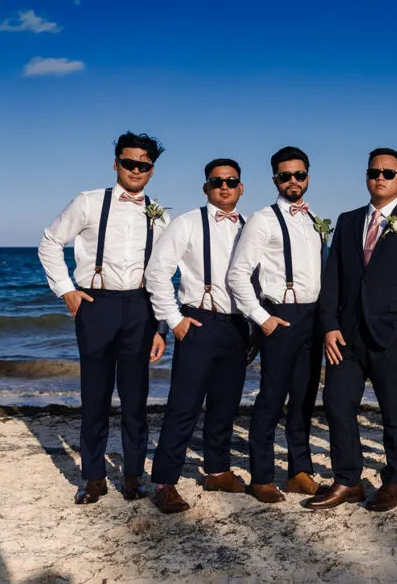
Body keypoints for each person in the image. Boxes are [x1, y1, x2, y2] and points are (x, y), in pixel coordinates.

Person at [308, 148, 397, 512]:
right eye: (374, 172)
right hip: (346, 337)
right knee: (336, 403)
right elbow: (331, 278)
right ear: (366, 176)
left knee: (393, 409)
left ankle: (395, 480)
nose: (379, 177)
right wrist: (330, 326)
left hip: (391, 336)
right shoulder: (348, 220)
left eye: (388, 172)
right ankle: (348, 479)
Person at [38, 132, 169, 504]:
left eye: (143, 165)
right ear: (116, 164)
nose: (135, 170)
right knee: (95, 397)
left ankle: (132, 477)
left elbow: (162, 273)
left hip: (141, 308)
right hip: (96, 305)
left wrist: (161, 326)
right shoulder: (88, 202)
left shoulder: (159, 215)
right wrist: (66, 291)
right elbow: (49, 242)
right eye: (129, 163)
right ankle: (93, 478)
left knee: (135, 400)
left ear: (151, 171)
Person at [146, 158, 250, 514]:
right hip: (198, 323)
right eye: (217, 181)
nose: (224, 186)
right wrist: (174, 320)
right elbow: (157, 274)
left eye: (231, 181)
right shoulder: (186, 223)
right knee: (183, 407)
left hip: (238, 327)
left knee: (225, 405)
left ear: (241, 188)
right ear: (206, 187)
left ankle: (217, 470)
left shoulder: (250, 226)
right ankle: (164, 481)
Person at [227, 146, 325, 503]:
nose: (293, 181)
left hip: (313, 318)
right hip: (280, 317)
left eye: (299, 175)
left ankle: (300, 472)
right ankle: (262, 476)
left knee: (303, 399)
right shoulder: (262, 220)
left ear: (308, 178)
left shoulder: (315, 219)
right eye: (285, 176)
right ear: (275, 180)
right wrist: (263, 319)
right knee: (270, 399)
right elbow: (237, 275)